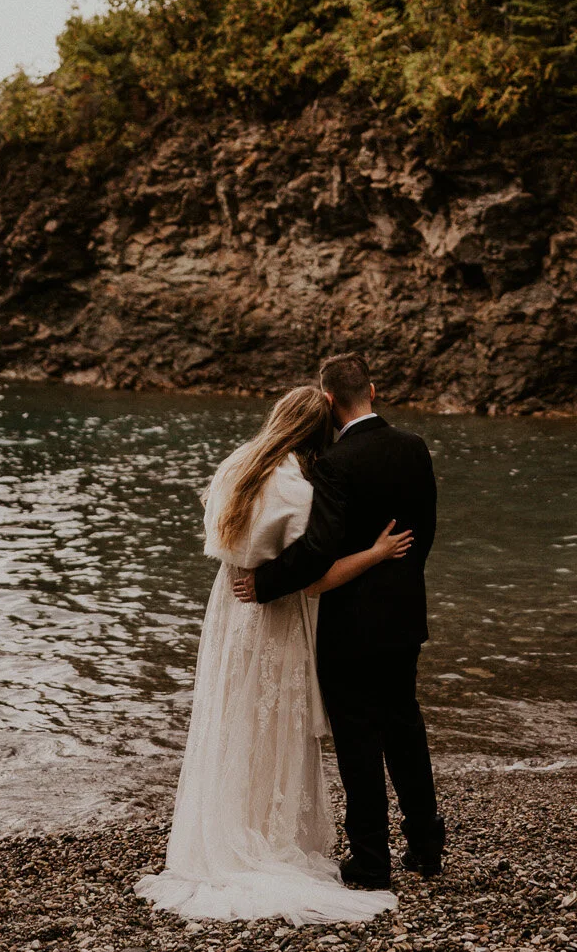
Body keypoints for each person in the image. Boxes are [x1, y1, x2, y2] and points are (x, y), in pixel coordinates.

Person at [134, 382, 409, 924]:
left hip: (228, 611)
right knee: (273, 724)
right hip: (273, 615)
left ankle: (227, 825)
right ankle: (264, 836)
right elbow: (314, 580)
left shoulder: (237, 464)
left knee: (233, 717)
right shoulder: (296, 489)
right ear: (316, 433)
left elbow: (221, 539)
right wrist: (376, 553)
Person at [234, 351, 445, 890]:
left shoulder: (334, 464)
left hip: (349, 622)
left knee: (357, 739)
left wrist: (264, 583)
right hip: (404, 614)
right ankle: (425, 845)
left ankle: (371, 861)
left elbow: (318, 551)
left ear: (328, 401)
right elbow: (426, 531)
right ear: (372, 390)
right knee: (405, 728)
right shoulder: (414, 448)